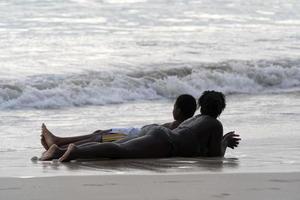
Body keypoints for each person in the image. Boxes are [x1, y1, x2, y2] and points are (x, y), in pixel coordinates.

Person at [40, 91, 240, 162]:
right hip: (165, 142)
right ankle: (73, 152)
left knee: (118, 145)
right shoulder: (214, 124)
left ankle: (59, 151)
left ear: (201, 104)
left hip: (156, 132)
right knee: (119, 150)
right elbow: (215, 155)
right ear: (220, 109)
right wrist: (224, 142)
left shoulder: (194, 119)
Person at [40, 94, 198, 150]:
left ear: (177, 110)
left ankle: (59, 144)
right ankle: (59, 142)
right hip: (136, 133)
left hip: (133, 135)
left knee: (98, 138)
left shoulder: (177, 125)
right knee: (98, 135)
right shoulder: (185, 125)